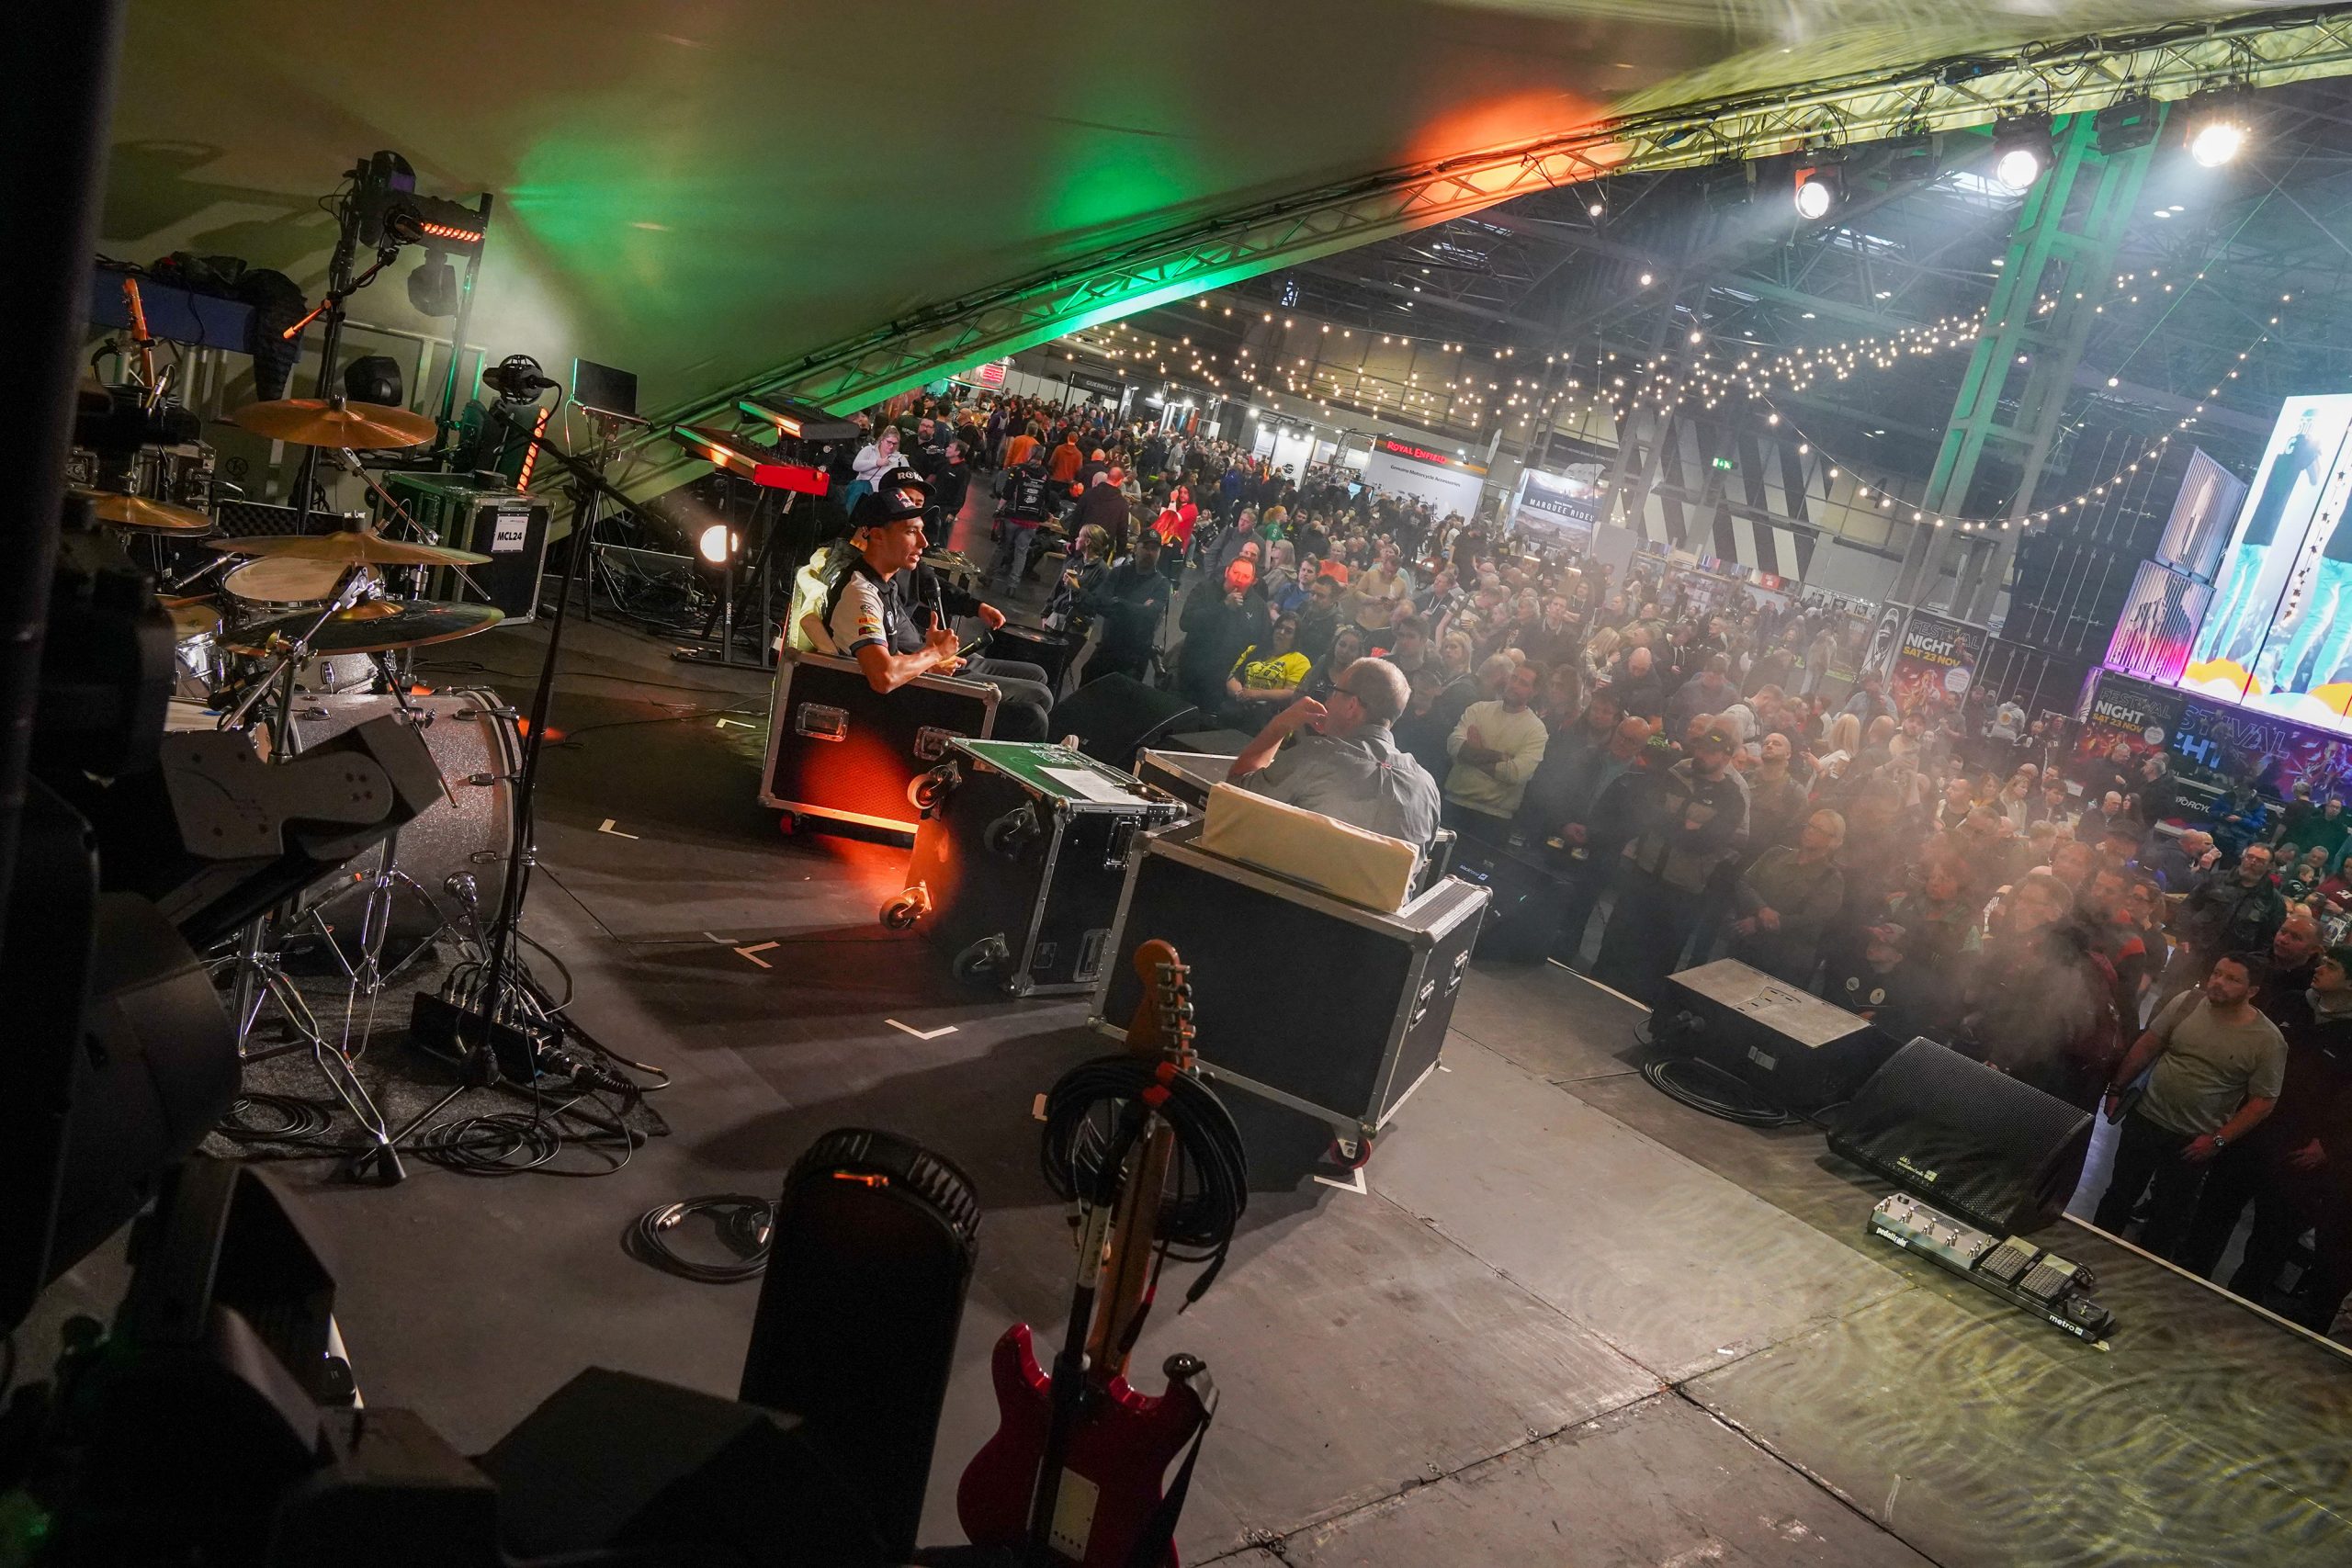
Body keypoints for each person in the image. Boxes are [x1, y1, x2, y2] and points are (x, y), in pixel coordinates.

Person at [2179, 944, 2352, 1321]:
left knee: (2270, 1242)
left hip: (2297, 1152)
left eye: (2332, 966)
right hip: (2250, 1131)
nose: (2320, 967)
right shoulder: (2290, 1003)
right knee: (2212, 1215)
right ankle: (2182, 1287)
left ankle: (2237, 1316)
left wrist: (2330, 1145)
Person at [820, 478, 1054, 740]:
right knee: (1033, 712)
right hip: (897, 710)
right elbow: (883, 676)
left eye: (921, 531)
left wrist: (929, 659)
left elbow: (893, 655)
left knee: (1037, 692)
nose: (924, 542)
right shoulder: (860, 593)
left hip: (912, 687)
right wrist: (934, 654)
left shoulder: (885, 582)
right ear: (876, 535)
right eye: (911, 532)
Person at [2094, 953, 2287, 1259]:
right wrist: (2117, 1087)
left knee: (2167, 1218)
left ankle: (2142, 1276)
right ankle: (2088, 1255)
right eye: (2217, 973)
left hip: (2193, 1141)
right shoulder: (2187, 1002)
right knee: (2118, 1196)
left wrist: (2217, 1140)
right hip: (2146, 1119)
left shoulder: (2267, 1041)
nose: (2218, 982)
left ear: (2252, 991)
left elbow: (2263, 1102)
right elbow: (2149, 1044)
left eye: (2232, 979)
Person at [1590, 720, 1751, 1003]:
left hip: (1682, 890)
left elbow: (1707, 842)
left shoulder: (1732, 797)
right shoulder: (1673, 775)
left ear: (1726, 757)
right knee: (1617, 942)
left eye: (1711, 752)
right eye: (1701, 748)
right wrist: (1685, 826)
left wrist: (1674, 825)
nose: (1702, 755)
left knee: (1657, 959)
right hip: (1644, 872)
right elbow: (1647, 813)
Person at [1228, 657, 1442, 851]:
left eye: (1334, 691)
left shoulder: (1317, 756)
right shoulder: (1427, 788)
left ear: (1351, 705)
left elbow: (1234, 795)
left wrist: (1280, 725)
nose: (1328, 702)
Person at [1729, 809, 1847, 986]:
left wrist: (1760, 923)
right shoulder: (1776, 854)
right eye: (1810, 825)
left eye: (1820, 830)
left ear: (1834, 841)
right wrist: (1761, 909)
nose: (1810, 831)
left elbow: (1810, 918)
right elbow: (1744, 883)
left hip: (1786, 960)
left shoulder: (1831, 879)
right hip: (1747, 945)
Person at [1442, 660, 1549, 842]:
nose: (1514, 685)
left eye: (1523, 683)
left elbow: (1515, 773)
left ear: (1535, 691)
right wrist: (1498, 756)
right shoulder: (1479, 709)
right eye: (1514, 678)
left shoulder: (1536, 730)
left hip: (1493, 819)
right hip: (1453, 804)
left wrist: (1473, 753)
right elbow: (1454, 745)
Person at [1074, 528, 1171, 685]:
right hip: (1107, 648)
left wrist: (1117, 602)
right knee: (1086, 681)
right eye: (1146, 547)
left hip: (1134, 659)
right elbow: (1100, 603)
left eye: (1154, 549)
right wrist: (1138, 607)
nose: (1150, 552)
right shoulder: (1118, 573)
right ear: (1136, 548)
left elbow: (1149, 615)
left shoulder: (1162, 584)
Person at [1223, 613, 1312, 728]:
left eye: (1288, 631)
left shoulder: (1300, 661)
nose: (1281, 632)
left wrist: (1256, 695)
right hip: (1240, 709)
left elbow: (1291, 692)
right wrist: (1240, 694)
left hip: (1270, 717)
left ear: (1296, 637)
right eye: (1279, 627)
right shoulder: (1253, 650)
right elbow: (1234, 677)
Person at [990, 457, 1056, 589]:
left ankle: (988, 576)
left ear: (1030, 455)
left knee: (1002, 547)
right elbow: (1047, 497)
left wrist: (998, 509)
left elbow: (1007, 493)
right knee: (1021, 552)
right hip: (1031, 521)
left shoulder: (1019, 470)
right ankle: (1013, 585)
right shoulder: (1046, 475)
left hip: (1013, 516)